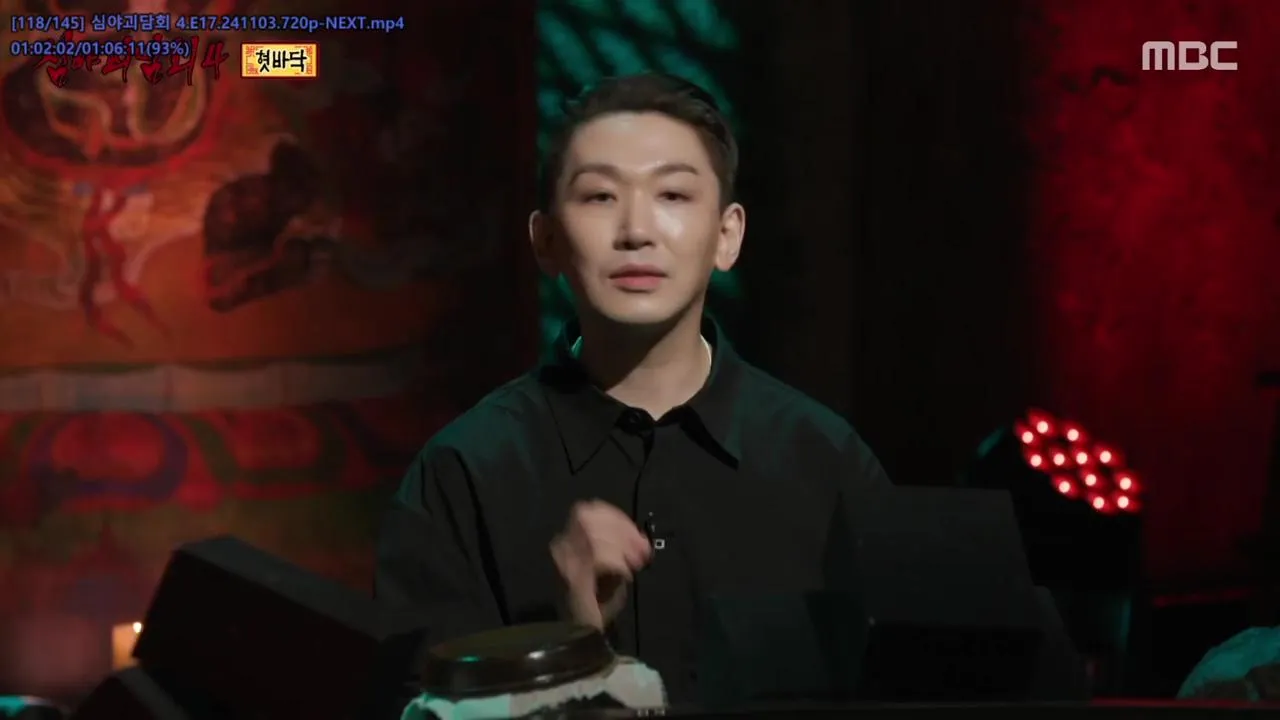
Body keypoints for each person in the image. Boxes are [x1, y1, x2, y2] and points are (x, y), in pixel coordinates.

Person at [375, 73, 892, 703]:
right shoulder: (464, 474)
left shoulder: (826, 463)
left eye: (673, 194)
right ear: (546, 240)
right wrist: (571, 641)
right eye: (600, 197)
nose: (636, 230)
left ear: (727, 235)